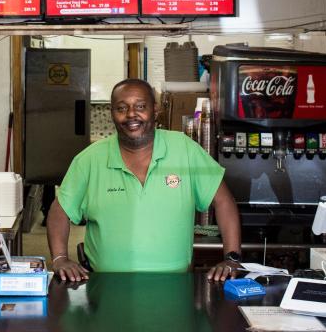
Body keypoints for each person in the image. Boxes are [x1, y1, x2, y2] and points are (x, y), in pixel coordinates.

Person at [48, 79, 242, 281]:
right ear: (112, 113)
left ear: (155, 110)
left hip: (175, 287)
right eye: (122, 108)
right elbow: (59, 210)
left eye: (140, 106)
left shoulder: (184, 149)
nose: (131, 114)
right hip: (105, 287)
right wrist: (60, 258)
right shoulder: (89, 159)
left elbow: (223, 201)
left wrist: (232, 258)